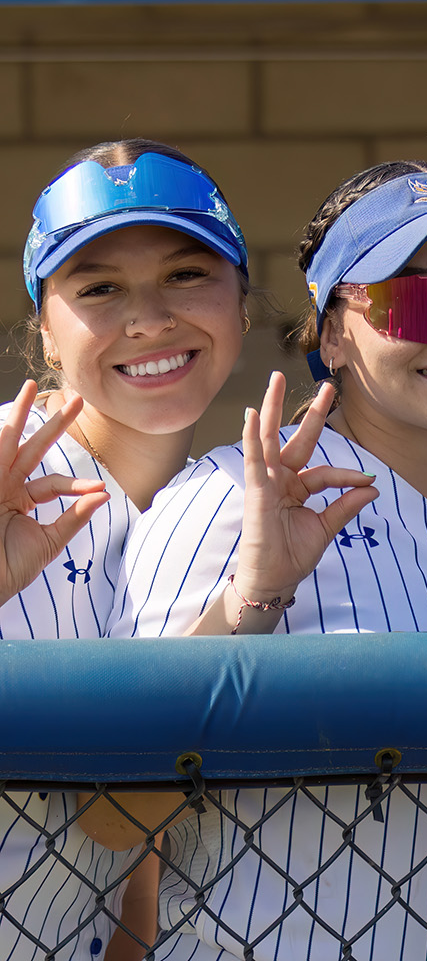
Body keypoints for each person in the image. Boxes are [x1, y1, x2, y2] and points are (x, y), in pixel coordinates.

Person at [107, 161, 427, 960]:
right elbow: (116, 816)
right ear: (335, 333)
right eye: (411, 301)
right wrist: (255, 597)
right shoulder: (225, 496)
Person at [0, 140, 251, 961]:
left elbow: (136, 832)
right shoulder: (7, 459)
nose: (148, 319)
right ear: (44, 329)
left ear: (242, 306)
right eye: (99, 288)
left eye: (186, 275)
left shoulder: (210, 506)